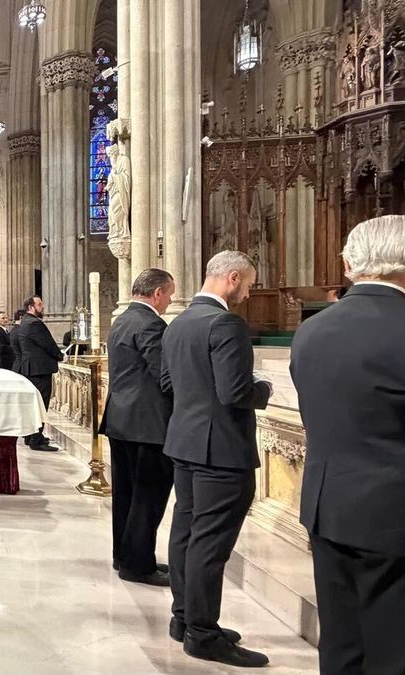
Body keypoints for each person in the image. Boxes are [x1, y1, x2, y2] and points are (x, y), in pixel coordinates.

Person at [291, 216, 405, 675]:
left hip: (328, 505)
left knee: (341, 643)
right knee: (393, 649)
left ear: (348, 264)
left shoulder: (311, 331)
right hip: (393, 513)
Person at [161, 250, 271, 668]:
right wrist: (264, 390)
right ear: (231, 278)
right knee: (210, 543)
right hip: (221, 450)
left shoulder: (179, 322)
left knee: (186, 533)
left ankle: (185, 618)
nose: (248, 291)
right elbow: (235, 393)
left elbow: (168, 382)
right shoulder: (225, 323)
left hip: (185, 444)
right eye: (248, 283)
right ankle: (203, 635)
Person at [99, 268, 177, 587]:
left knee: (127, 496)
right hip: (147, 425)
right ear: (157, 293)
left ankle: (125, 554)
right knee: (148, 497)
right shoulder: (150, 324)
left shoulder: (122, 320)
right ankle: (138, 564)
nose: (170, 301)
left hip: (121, 421)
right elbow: (164, 374)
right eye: (169, 294)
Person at [14, 296, 63, 451]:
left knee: (33, 405)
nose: (43, 307)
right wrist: (61, 356)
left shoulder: (25, 322)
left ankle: (31, 436)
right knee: (41, 404)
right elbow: (48, 344)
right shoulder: (34, 323)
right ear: (31, 306)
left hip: (31, 368)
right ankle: (36, 440)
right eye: (39, 304)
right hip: (39, 369)